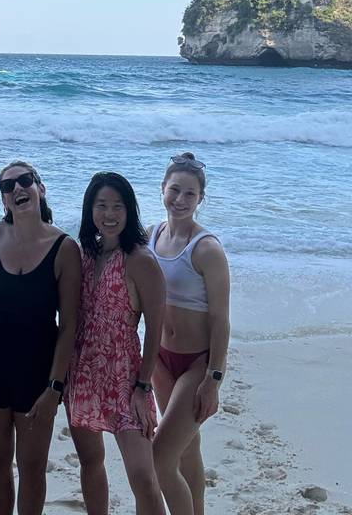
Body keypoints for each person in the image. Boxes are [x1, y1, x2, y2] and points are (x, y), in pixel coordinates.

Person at [0, 160, 81, 515]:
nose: (17, 189)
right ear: (4, 200)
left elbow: (69, 324)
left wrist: (55, 386)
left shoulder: (65, 248)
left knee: (32, 467)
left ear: (41, 188)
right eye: (7, 186)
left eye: (25, 181)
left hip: (37, 374)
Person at [65, 171, 166, 515]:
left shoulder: (140, 259)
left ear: (130, 210)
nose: (109, 214)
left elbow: (155, 327)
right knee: (90, 463)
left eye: (117, 206)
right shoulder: (85, 254)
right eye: (101, 205)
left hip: (125, 377)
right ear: (89, 210)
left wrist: (143, 385)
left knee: (143, 476)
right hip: (82, 373)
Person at [149, 153, 231, 515]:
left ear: (201, 199)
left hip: (197, 364)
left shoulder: (207, 249)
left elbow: (221, 321)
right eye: (175, 190)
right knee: (187, 448)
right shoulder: (152, 235)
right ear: (162, 190)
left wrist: (214, 378)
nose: (180, 200)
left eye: (190, 194)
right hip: (160, 360)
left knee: (159, 457)